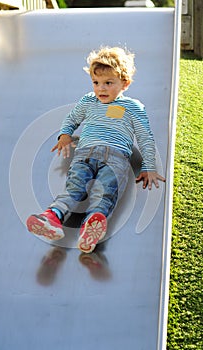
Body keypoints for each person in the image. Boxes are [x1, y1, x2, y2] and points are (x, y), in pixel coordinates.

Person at [26, 46, 165, 253]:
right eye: (96, 82)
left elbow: (145, 136)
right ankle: (52, 217)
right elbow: (72, 118)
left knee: (105, 191)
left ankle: (92, 224)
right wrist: (65, 134)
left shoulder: (133, 106)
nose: (101, 88)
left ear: (124, 83)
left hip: (116, 158)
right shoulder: (88, 100)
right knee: (74, 187)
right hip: (85, 153)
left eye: (109, 83)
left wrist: (149, 166)